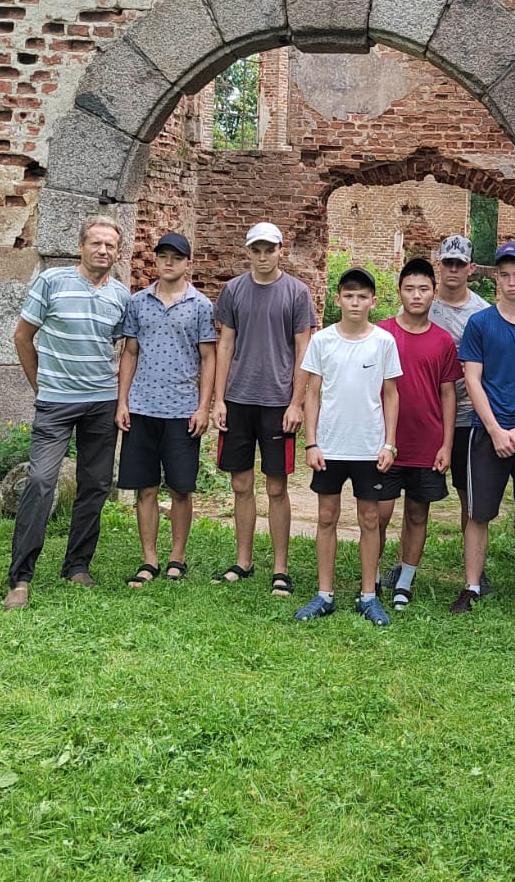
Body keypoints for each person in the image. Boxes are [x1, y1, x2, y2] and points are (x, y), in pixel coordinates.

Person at [4, 215, 131, 609]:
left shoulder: (121, 296)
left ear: (117, 252)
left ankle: (77, 565)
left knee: (95, 485)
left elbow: (122, 348)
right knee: (41, 480)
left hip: (102, 402)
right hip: (56, 401)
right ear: (81, 246)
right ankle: (20, 578)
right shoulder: (51, 281)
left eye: (110, 245)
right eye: (96, 243)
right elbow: (22, 337)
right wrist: (40, 385)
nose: (103, 250)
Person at [210, 220, 317, 597]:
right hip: (238, 400)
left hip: (277, 403)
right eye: (256, 250)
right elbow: (225, 345)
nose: (262, 257)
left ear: (280, 251)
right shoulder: (233, 290)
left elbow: (304, 350)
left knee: (276, 486)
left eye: (269, 250)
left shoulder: (297, 292)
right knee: (240, 484)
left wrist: (296, 402)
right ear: (248, 252)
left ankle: (280, 568)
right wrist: (218, 399)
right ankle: (243, 561)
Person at [294, 266, 402, 626]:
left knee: (370, 519)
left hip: (369, 447)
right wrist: (311, 442)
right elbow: (312, 394)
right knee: (327, 517)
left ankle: (368, 595)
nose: (355, 302)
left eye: (362, 296)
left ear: (373, 301)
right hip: (330, 445)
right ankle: (324, 593)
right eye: (349, 296)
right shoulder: (323, 341)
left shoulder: (383, 341)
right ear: (338, 299)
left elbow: (391, 394)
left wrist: (389, 443)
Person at [456, 242, 515, 613]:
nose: (512, 281)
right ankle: (471, 586)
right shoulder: (480, 324)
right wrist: (496, 430)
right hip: (486, 431)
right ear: (496, 278)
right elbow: (473, 379)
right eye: (505, 275)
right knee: (478, 512)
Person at [115, 232, 216, 588]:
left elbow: (209, 358)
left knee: (180, 489)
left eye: (177, 257)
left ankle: (177, 556)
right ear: (156, 261)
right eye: (163, 256)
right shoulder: (138, 302)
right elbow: (130, 352)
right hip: (142, 407)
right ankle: (149, 559)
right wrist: (122, 401)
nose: (169, 262)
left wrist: (204, 407)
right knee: (144, 488)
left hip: (182, 409)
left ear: (188, 263)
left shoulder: (201, 306)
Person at [375, 259, 463, 609]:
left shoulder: (442, 341)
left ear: (434, 293)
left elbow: (448, 394)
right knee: (378, 515)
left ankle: (405, 581)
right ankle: (372, 575)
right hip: (385, 442)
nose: (416, 295)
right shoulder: (381, 334)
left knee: (417, 514)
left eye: (423, 289)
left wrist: (446, 444)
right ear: (399, 292)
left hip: (427, 442)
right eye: (409, 289)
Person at [414, 234, 490, 587]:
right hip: (425, 414)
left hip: (466, 415)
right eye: (448, 263)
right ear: (439, 265)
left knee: (468, 495)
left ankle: (473, 570)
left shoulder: (482, 313)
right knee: (416, 497)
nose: (453, 269)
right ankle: (405, 565)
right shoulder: (422, 305)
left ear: (471, 268)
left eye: (460, 264)